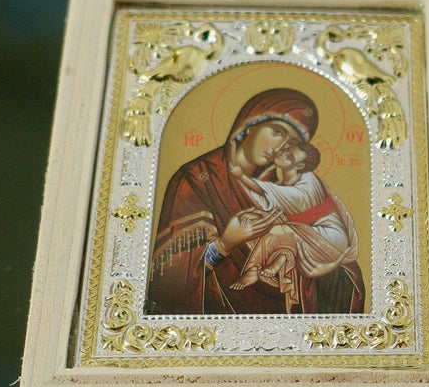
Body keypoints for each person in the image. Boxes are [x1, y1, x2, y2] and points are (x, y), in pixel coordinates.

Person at [147, 87, 364, 315]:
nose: (280, 147)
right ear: (249, 125)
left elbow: (344, 274)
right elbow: (166, 281)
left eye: (292, 143)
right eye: (278, 132)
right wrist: (225, 243)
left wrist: (325, 269)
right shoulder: (197, 180)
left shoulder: (285, 190)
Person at [229, 140, 359, 312]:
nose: (283, 155)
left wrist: (240, 175)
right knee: (264, 228)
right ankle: (276, 263)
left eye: (289, 156)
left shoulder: (307, 184)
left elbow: (267, 194)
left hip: (331, 237)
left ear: (301, 165)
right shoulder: (284, 181)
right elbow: (275, 208)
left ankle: (253, 270)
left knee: (277, 232)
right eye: (286, 150)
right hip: (306, 230)